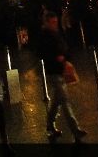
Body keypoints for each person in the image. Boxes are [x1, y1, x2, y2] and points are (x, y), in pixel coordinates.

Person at [37, 11, 87, 142]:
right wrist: (55, 57)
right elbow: (42, 53)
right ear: (47, 22)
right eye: (52, 22)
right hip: (54, 71)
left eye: (56, 22)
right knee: (64, 100)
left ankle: (49, 125)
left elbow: (65, 48)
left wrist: (65, 57)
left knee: (57, 101)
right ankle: (75, 130)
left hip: (61, 70)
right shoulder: (44, 35)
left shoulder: (57, 33)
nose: (55, 24)